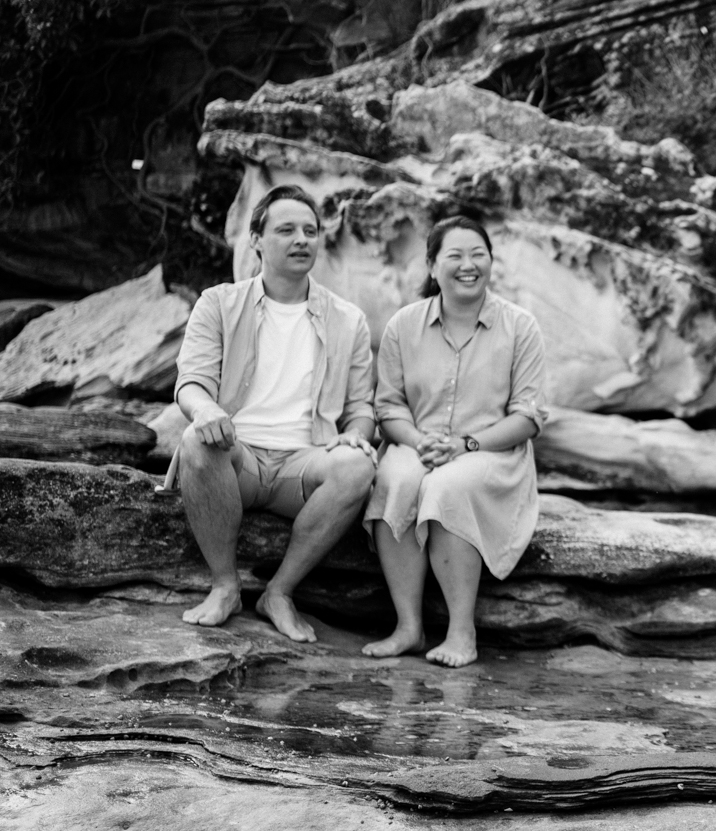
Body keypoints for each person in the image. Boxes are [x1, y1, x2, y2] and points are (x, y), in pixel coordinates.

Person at [168, 184, 379, 642]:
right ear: (257, 240)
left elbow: (362, 408)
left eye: (310, 230)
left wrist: (357, 433)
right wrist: (204, 410)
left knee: (358, 464)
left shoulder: (348, 319)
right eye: (286, 230)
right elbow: (191, 383)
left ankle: (278, 592)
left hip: (303, 463)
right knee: (195, 441)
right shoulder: (218, 303)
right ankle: (226, 586)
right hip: (235, 455)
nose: (302, 239)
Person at [361, 215, 547, 668]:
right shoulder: (404, 325)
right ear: (431, 265)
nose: (469, 265)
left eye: (478, 255)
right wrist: (420, 440)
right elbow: (388, 407)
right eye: (455, 256)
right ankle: (408, 627)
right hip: (417, 443)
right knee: (394, 476)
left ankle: (462, 632)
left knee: (447, 486)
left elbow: (529, 415)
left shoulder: (520, 326)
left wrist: (464, 445)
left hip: (490, 454)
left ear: (490, 262)